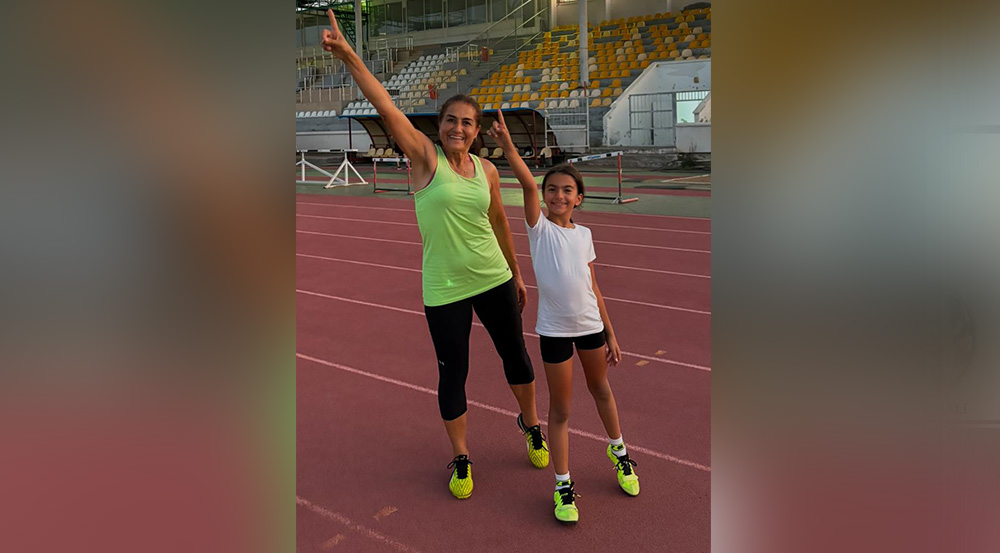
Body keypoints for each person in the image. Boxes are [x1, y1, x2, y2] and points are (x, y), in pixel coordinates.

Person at [320, 11, 549, 500]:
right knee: (453, 373)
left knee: (515, 356)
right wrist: (348, 55)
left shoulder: (487, 171)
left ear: (477, 130)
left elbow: (499, 222)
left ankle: (531, 424)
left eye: (467, 123)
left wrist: (516, 273)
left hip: (493, 277)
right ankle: (462, 456)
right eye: (451, 121)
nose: (458, 129)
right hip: (444, 288)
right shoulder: (426, 158)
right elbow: (385, 105)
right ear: (439, 126)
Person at [487, 110, 639, 524]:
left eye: (567, 190)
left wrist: (611, 333)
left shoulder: (584, 235)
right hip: (554, 331)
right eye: (551, 189)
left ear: (578, 198)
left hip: (590, 327)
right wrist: (508, 147)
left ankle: (620, 453)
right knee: (561, 410)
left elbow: (593, 287)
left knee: (602, 390)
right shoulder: (539, 228)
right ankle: (563, 485)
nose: (558, 196)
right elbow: (525, 183)